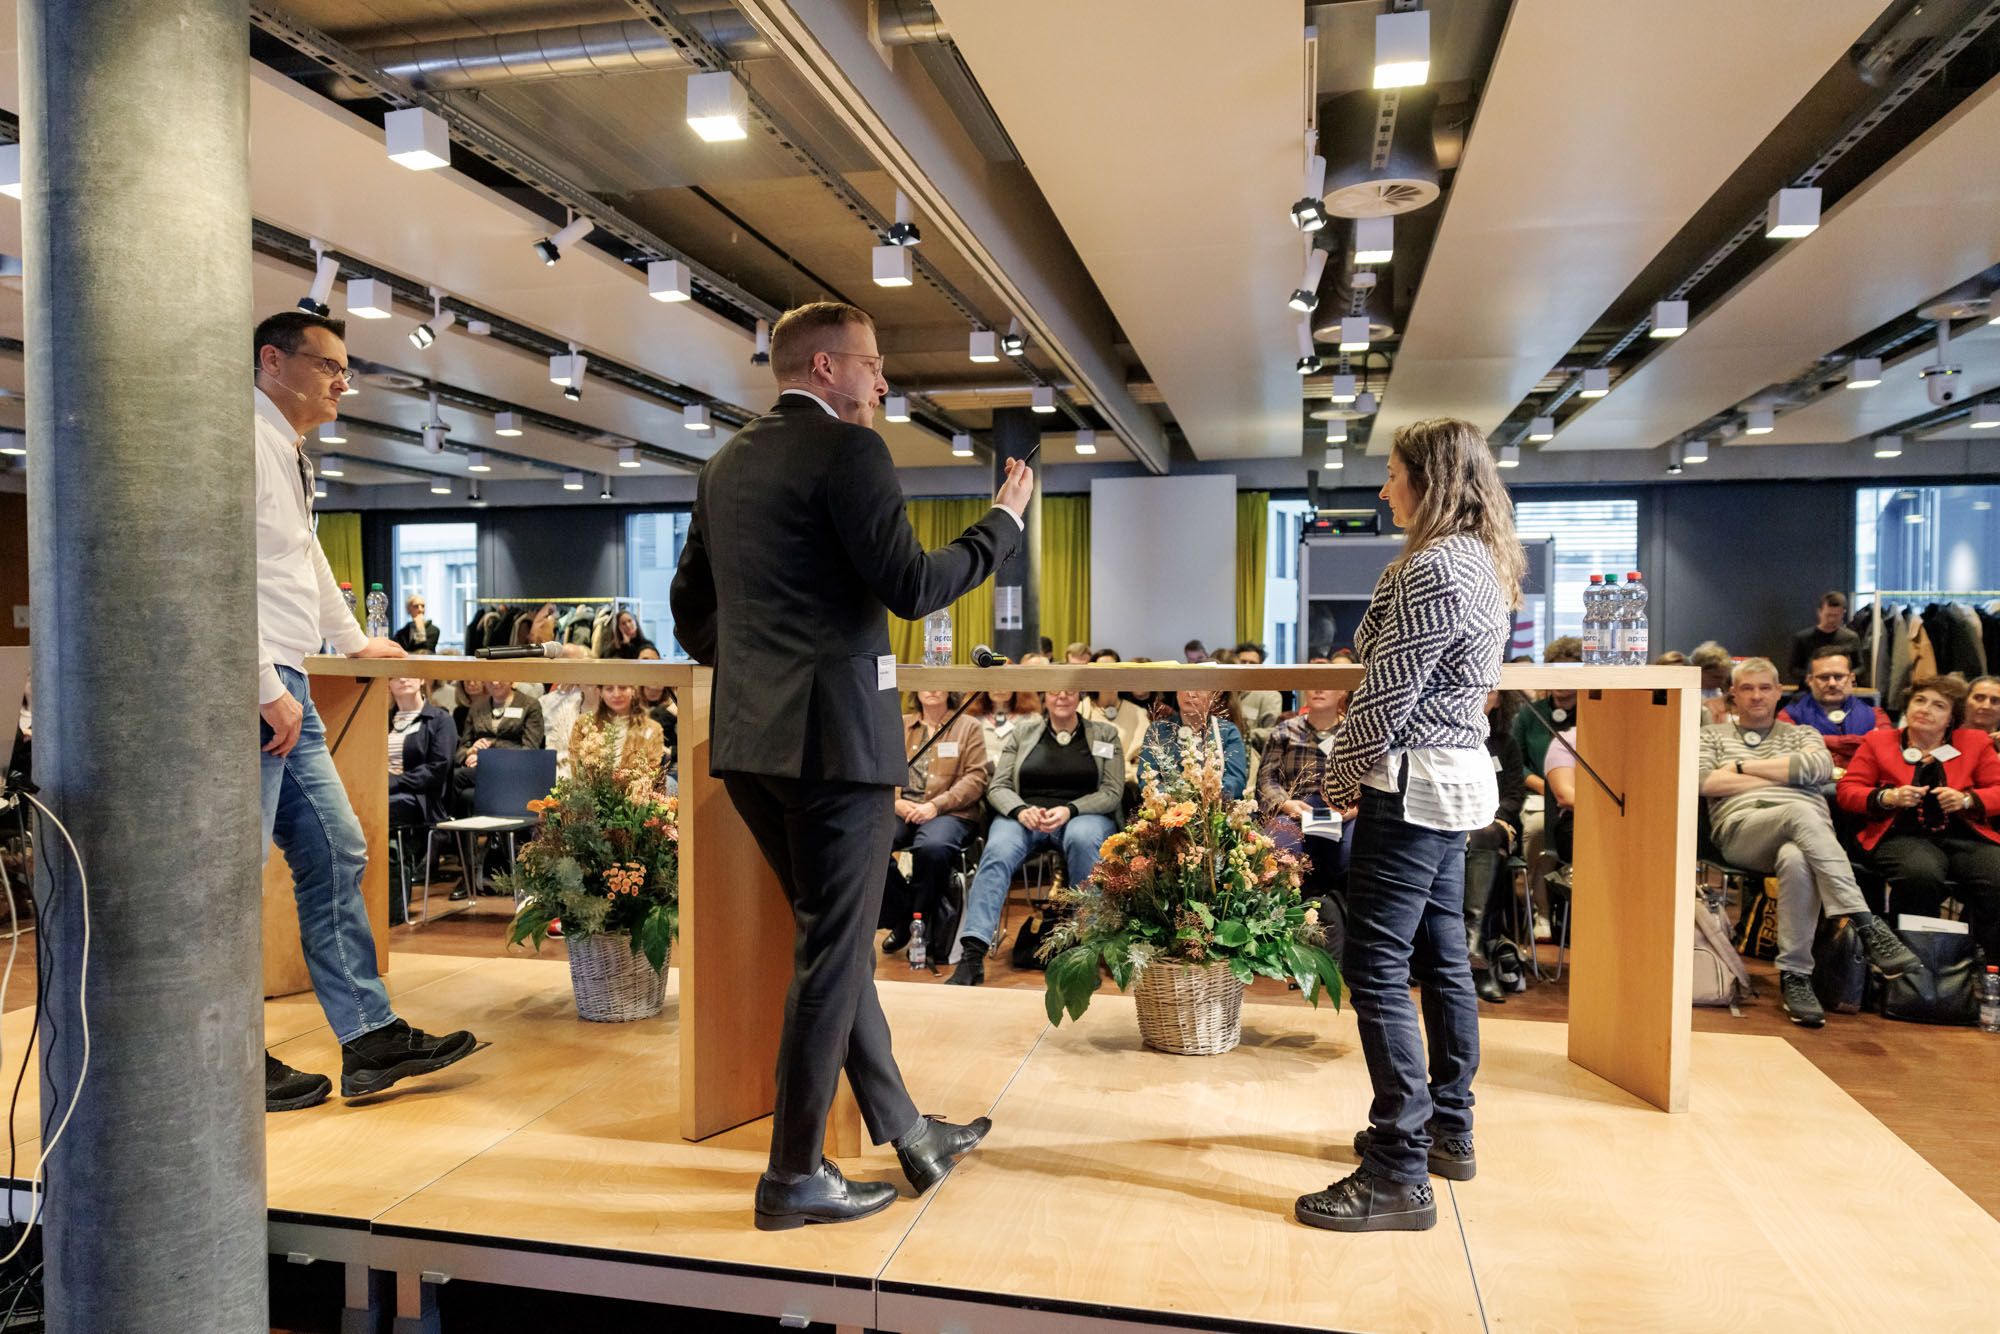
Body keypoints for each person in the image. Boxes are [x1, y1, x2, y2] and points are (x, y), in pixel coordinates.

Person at [670, 300, 1032, 1229]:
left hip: (751, 747)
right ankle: (793, 1174)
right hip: (836, 747)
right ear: (825, 368)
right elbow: (911, 586)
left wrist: (761, 675)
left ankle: (909, 1131)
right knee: (833, 954)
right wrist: (1001, 525)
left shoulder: (724, 464)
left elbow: (690, 612)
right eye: (871, 364)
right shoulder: (850, 450)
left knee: (827, 944)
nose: (882, 381)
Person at [1294, 418, 1520, 1235]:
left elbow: (1386, 690)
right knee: (1441, 956)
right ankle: (1446, 1131)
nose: (1384, 488)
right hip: (1452, 779)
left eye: (1394, 474)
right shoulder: (1479, 560)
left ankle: (1396, 1170)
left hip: (1413, 780)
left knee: (1377, 964)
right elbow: (1379, 652)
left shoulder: (1433, 567)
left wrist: (1339, 775)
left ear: (1431, 481)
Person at [252, 310, 478, 1113]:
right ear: (272, 361)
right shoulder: (240, 443)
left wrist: (352, 642)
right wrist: (261, 684)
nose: (343, 383)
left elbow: (303, 557)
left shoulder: (285, 448)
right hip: (257, 685)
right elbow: (212, 571)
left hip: (290, 679)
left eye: (347, 369)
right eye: (329, 366)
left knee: (338, 849)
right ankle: (224, 1060)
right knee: (230, 883)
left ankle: (369, 1039)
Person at [1698, 658, 1923, 1029]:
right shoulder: (1711, 735)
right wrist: (1787, 776)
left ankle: (1795, 976)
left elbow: (1819, 769)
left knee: (1797, 859)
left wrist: (1739, 768)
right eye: (1748, 688)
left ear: (1779, 692)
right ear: (1733, 693)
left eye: (1765, 687)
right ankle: (1865, 922)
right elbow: (1705, 782)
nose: (1757, 696)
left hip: (1805, 836)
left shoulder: (1803, 733)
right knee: (1800, 812)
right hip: (1743, 829)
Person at [949, 686, 1124, 986]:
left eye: (1069, 691)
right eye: (1055, 692)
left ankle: (1087, 951)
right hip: (1026, 816)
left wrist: (1070, 809)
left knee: (1084, 839)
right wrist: (1020, 810)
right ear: (1044, 697)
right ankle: (972, 955)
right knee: (997, 849)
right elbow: (998, 786)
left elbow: (1112, 791)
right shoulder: (1023, 733)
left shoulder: (1105, 734)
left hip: (1082, 815)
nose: (1062, 696)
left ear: (1080, 696)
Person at [1837, 675, 2000, 965]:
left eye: (1938, 705)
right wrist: (1888, 797)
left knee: (1996, 874)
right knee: (1921, 875)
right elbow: (1848, 791)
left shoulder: (1975, 742)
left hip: (1963, 834)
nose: (1925, 709)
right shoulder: (1879, 741)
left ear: (1951, 718)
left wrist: (1967, 800)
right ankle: (1913, 965)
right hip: (1900, 834)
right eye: (1920, 701)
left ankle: (1983, 961)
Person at [879, 690, 988, 964]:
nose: (932, 689)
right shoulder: (900, 724)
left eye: (938, 683)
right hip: (902, 808)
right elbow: (882, 767)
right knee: (872, 843)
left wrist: (936, 806)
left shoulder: (968, 726)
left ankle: (922, 925)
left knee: (932, 847)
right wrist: (895, 801)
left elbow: (976, 778)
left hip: (949, 811)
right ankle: (905, 915)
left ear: (950, 689)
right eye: (926, 683)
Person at [1255, 657, 1351, 948]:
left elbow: (1367, 778)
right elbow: (1266, 780)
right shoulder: (1284, 731)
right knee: (1278, 840)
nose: (1319, 688)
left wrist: (1354, 807)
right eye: (1313, 681)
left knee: (1358, 851)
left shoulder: (1353, 733)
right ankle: (1277, 935)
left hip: (1344, 813)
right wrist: (1286, 804)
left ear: (1343, 692)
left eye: (1328, 683)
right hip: (1295, 810)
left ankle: (1348, 938)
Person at [1463, 691, 1527, 1005]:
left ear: (1499, 701)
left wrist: (1491, 818)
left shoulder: (1505, 744)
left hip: (1497, 825)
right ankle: (1477, 953)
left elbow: (1514, 795)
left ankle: (1472, 948)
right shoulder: (1452, 737)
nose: (1482, 695)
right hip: (1455, 824)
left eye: (1490, 692)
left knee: (1485, 836)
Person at [1777, 646, 1888, 766]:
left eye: (1839, 676)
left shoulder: (1876, 715)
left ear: (1852, 678)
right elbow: (1789, 761)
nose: (1832, 683)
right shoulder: (1788, 717)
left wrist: (1817, 741)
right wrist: (1864, 742)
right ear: (1809, 680)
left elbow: (1886, 750)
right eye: (1824, 677)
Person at [452, 679, 546, 816]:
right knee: (459, 784)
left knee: (459, 778)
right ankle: (449, 825)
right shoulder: (477, 708)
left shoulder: (529, 705)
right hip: (481, 771)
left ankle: (444, 825)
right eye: (490, 678)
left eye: (500, 678)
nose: (495, 682)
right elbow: (461, 751)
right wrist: (470, 752)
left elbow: (530, 749)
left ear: (511, 680)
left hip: (514, 769)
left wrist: (487, 757)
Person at [1137, 689, 1248, 800]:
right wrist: (1168, 799)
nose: (1191, 693)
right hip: (1168, 807)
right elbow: (1148, 778)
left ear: (1215, 694)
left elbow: (1236, 780)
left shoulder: (1227, 731)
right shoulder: (1157, 730)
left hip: (1212, 805)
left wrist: (1207, 796)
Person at [566, 681, 667, 801]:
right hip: (591, 800)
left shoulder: (653, 729)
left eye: (623, 687)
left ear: (633, 690)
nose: (617, 694)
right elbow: (577, 768)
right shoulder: (583, 724)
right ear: (600, 692)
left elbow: (651, 773)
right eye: (609, 689)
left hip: (633, 801)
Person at [1787, 591, 1860, 687]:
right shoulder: (1803, 638)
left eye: (1836, 615)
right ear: (1819, 612)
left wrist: (1844, 675)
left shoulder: (1851, 638)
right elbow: (1793, 669)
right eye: (1828, 615)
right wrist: (1818, 676)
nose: (1832, 620)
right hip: (1810, 689)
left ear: (1843, 613)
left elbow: (1860, 667)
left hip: (1841, 688)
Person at [1690, 641, 1734, 725]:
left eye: (1724, 677)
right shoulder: (1686, 694)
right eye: (1716, 677)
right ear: (1701, 671)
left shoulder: (1721, 693)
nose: (1721, 681)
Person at [1964, 675, 2000, 752]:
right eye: (1979, 698)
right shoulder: (1945, 738)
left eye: (1995, 701)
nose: (1986, 706)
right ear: (1965, 701)